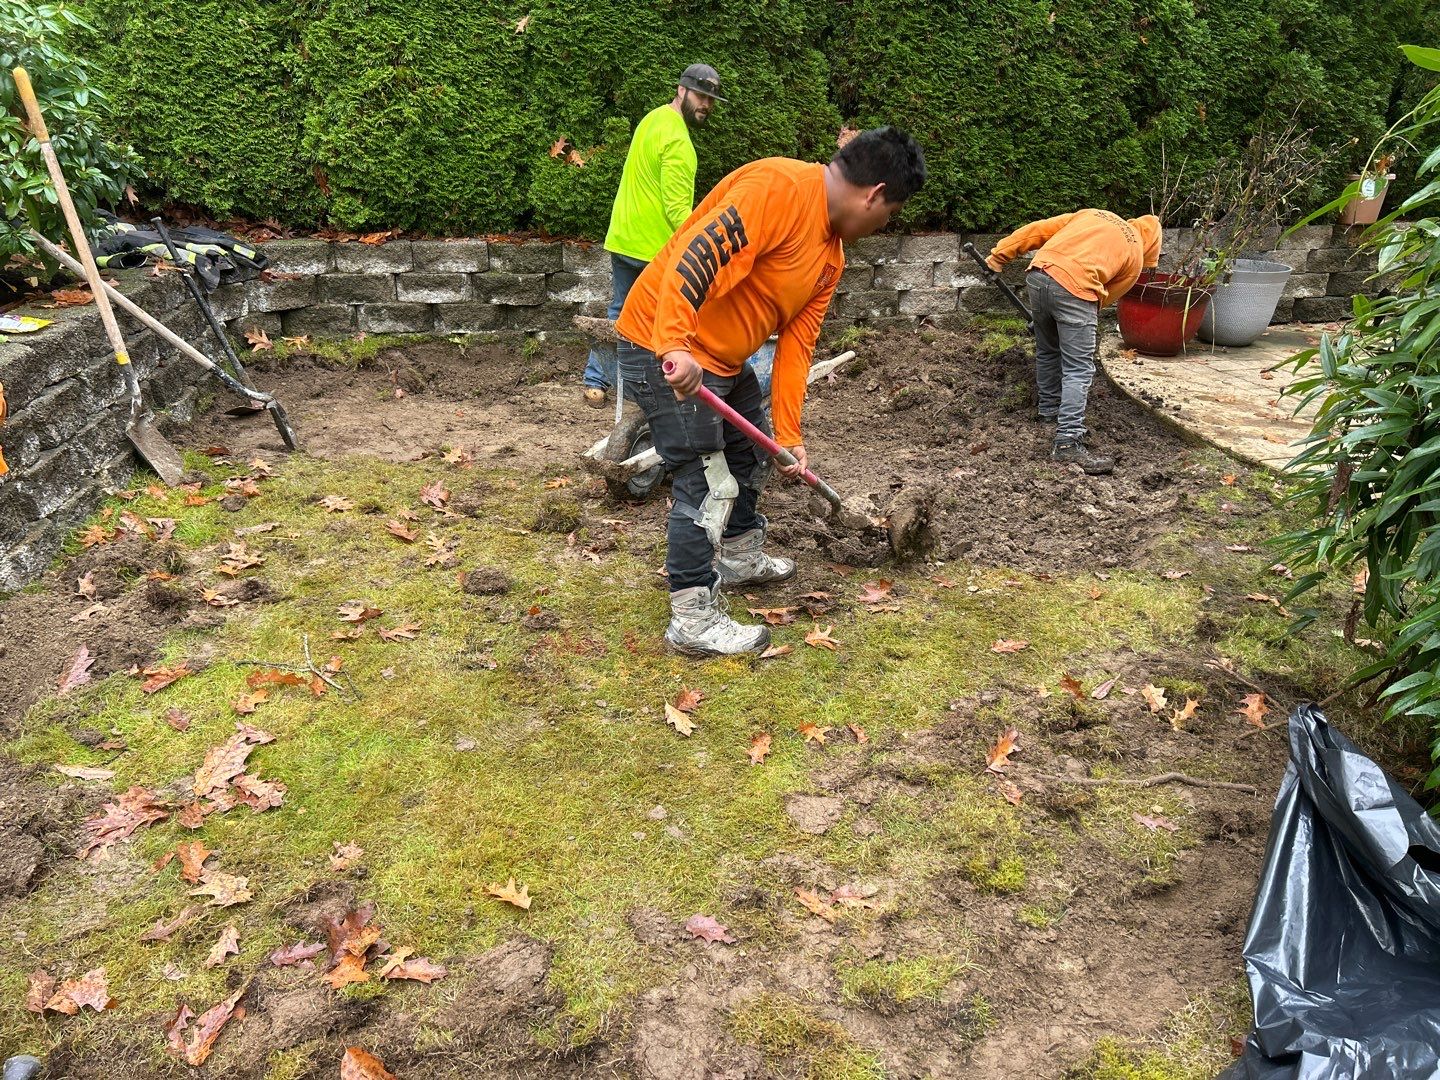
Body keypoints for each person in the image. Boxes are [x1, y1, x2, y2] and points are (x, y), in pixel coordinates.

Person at [615, 127, 927, 656]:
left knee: (750, 450)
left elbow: (796, 348)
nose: (884, 225)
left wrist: (789, 434)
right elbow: (694, 256)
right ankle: (691, 616)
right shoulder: (777, 189)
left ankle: (739, 557)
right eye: (890, 213)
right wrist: (675, 343)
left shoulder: (831, 257)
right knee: (705, 478)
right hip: (663, 345)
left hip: (723, 359)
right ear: (874, 194)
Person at [582, 64, 725, 408]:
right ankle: (646, 390)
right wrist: (707, 248)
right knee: (660, 323)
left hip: (624, 236)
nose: (706, 104)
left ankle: (596, 382)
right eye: (700, 96)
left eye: (711, 99)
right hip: (653, 248)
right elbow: (679, 213)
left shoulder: (653, 119)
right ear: (681, 90)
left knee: (619, 313)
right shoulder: (679, 142)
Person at [986, 209, 1162, 475]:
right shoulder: (1136, 254)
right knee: (1078, 369)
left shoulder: (1093, 214)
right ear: (1152, 244)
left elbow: (1040, 230)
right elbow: (1103, 299)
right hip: (1076, 289)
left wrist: (1000, 255)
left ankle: (1048, 413)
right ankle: (1067, 441)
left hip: (1039, 274)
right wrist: (1070, 319)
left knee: (1047, 351)